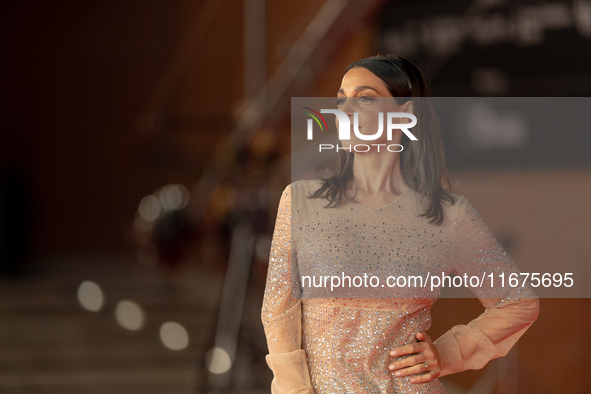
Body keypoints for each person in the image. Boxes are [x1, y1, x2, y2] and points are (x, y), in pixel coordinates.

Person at [261, 54, 540, 393]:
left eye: (364, 98)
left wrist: (450, 353)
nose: (345, 111)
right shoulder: (301, 201)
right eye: (340, 99)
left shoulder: (449, 215)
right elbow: (277, 311)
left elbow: (517, 301)